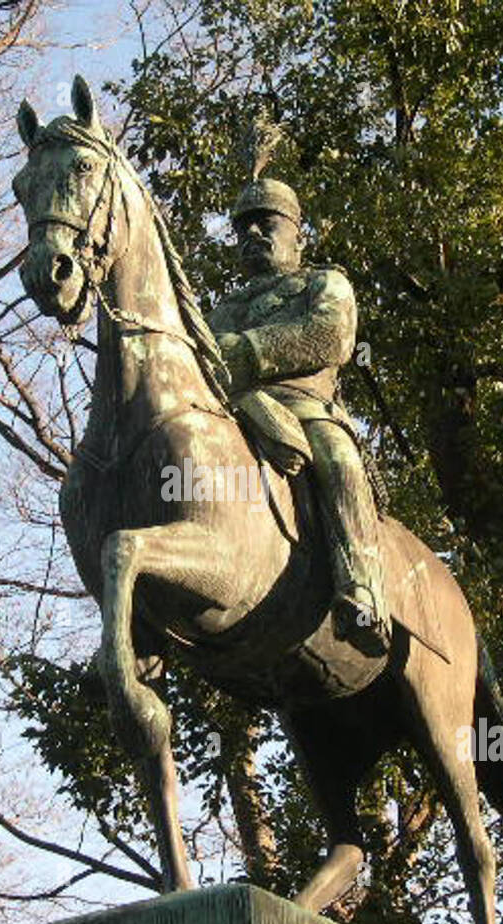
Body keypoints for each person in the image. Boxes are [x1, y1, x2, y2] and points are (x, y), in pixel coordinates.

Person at [209, 173, 390, 656]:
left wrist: (245, 351)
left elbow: (331, 335)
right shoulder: (222, 309)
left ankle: (361, 587)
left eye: (265, 223)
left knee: (338, 460)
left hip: (306, 409)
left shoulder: (323, 283)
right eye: (242, 228)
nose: (251, 235)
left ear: (298, 235)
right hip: (234, 411)